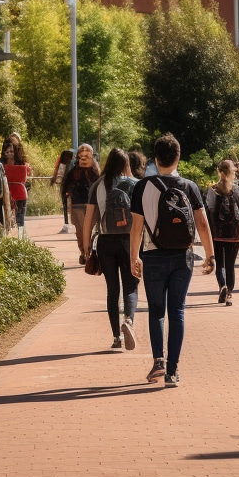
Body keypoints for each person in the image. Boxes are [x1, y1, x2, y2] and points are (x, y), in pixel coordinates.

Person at [130, 134, 213, 388]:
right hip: (182, 257)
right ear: (178, 157)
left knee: (156, 311)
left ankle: (158, 361)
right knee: (177, 311)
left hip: (152, 256)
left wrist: (133, 256)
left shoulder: (142, 187)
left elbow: (136, 227)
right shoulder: (189, 186)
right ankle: (173, 372)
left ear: (156, 158)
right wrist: (210, 255)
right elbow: (202, 223)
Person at [81, 148, 139, 351]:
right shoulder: (133, 184)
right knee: (131, 285)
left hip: (105, 241)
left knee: (112, 289)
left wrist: (86, 243)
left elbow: (89, 217)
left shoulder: (98, 184)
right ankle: (129, 321)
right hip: (129, 240)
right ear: (126, 164)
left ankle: (116, 337)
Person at [205, 159, 239, 306]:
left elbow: (209, 209)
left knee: (220, 263)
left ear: (219, 172)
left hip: (217, 232)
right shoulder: (238, 190)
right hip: (234, 232)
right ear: (232, 172)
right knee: (230, 265)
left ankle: (222, 286)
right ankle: (229, 293)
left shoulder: (212, 190)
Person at [63, 144, 100, 261]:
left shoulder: (95, 171)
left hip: (93, 204)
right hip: (77, 203)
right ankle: (84, 252)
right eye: (82, 151)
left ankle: (89, 251)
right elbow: (66, 186)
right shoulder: (73, 171)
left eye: (87, 151)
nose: (84, 153)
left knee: (90, 228)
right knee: (80, 230)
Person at [2, 135, 33, 239]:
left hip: (20, 194)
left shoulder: (23, 164)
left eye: (12, 151)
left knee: (20, 220)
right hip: (5, 195)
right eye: (7, 151)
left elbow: (27, 176)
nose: (10, 154)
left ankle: (20, 239)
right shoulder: (0, 164)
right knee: (5, 220)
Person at [51, 147, 74, 229]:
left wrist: (55, 181)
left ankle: (66, 222)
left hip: (65, 186)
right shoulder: (74, 164)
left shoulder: (62, 165)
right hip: (73, 187)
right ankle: (72, 221)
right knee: (73, 204)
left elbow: (59, 178)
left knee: (65, 204)